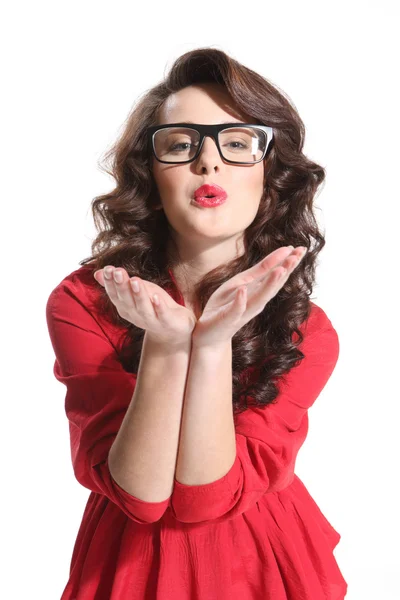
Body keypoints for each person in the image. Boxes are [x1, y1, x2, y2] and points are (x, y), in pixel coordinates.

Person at [46, 47, 348, 599]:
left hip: (263, 564)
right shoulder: (85, 300)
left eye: (237, 144)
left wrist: (210, 344)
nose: (208, 163)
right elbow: (141, 497)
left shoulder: (310, 330)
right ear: (149, 174)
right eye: (181, 145)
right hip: (131, 564)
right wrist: (168, 344)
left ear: (271, 174)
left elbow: (206, 500)